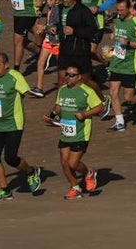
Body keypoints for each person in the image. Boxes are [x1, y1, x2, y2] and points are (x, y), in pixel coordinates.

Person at [0, 51, 41, 200]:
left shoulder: (15, 77)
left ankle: (30, 172)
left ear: (6, 65)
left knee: (10, 158)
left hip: (13, 124)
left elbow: (27, 92)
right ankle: (5, 189)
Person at [48, 64, 104, 200]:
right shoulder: (62, 90)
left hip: (80, 132)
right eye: (67, 74)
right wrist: (52, 115)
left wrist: (84, 114)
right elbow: (58, 106)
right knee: (64, 162)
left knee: (73, 163)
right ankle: (75, 187)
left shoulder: (87, 91)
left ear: (79, 77)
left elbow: (100, 107)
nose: (68, 77)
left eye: (72, 75)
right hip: (66, 131)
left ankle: (89, 173)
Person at [105, 0, 136, 132]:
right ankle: (119, 122)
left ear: (129, 9)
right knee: (113, 92)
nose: (119, 13)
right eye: (117, 10)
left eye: (122, 10)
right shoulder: (117, 21)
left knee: (128, 97)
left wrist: (128, 43)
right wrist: (112, 46)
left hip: (131, 65)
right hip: (116, 63)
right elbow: (119, 38)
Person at [56, 0, 99, 99]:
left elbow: (93, 29)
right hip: (65, 49)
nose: (64, 0)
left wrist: (74, 31)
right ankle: (59, 105)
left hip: (80, 50)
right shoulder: (60, 8)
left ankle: (103, 99)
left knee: (85, 81)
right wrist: (54, 28)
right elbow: (58, 24)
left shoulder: (83, 11)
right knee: (62, 78)